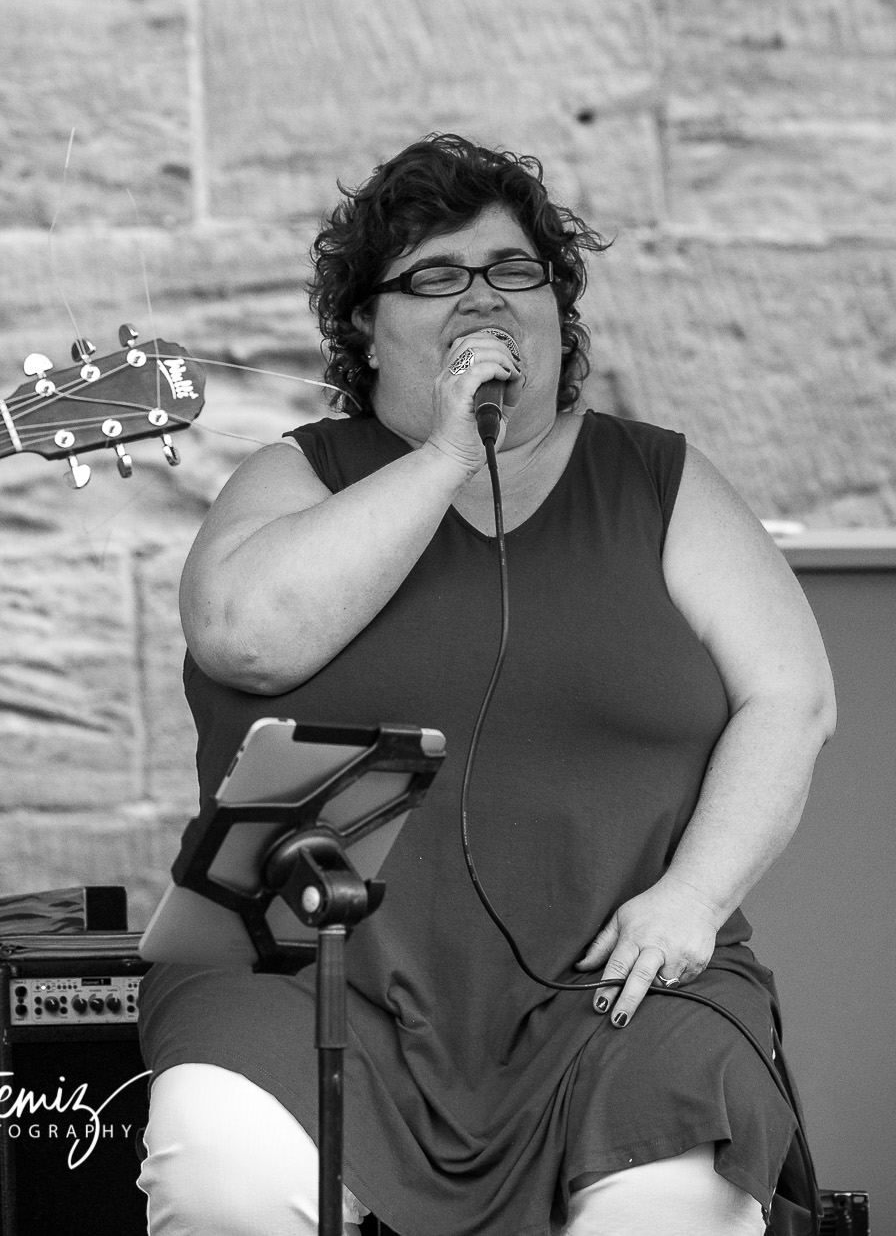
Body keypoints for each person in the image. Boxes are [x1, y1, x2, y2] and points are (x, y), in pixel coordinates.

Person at [137, 135, 835, 1236]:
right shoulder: (296, 477)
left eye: (513, 269)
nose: (482, 297)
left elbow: (790, 699)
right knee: (223, 1180)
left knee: (669, 1205)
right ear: (365, 326)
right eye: (434, 276)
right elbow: (243, 639)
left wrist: (693, 900)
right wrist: (447, 456)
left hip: (613, 985)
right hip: (311, 985)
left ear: (557, 306)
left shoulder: (657, 482)